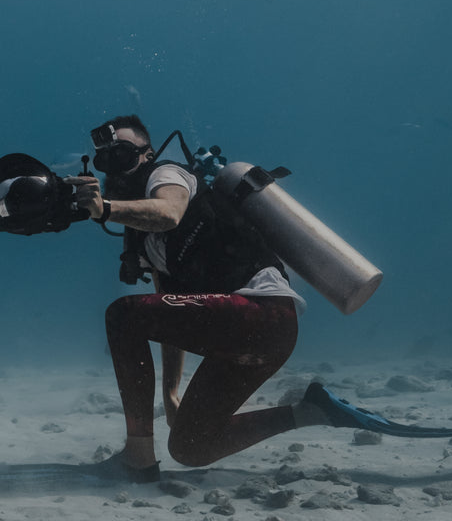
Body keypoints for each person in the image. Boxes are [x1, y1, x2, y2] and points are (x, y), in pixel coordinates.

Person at [67, 115, 340, 482]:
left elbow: (168, 211)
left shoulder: (166, 175)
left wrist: (107, 209)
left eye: (124, 155)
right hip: (251, 338)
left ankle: (138, 458)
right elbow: (167, 308)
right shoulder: (143, 240)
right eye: (106, 161)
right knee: (191, 448)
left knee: (121, 315)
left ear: (147, 154)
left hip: (264, 314)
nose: (115, 169)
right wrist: (170, 392)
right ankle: (312, 411)